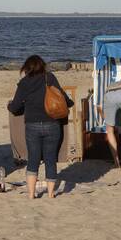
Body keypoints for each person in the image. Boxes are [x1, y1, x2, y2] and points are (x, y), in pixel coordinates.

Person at [6, 55, 73, 199]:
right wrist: (69, 103)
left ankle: (31, 194)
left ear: (27, 67)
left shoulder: (24, 82)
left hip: (32, 125)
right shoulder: (50, 78)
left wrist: (10, 106)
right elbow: (62, 97)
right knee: (50, 159)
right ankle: (50, 194)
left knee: (33, 159)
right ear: (42, 65)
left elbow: (16, 107)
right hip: (52, 124)